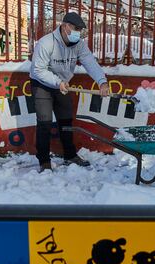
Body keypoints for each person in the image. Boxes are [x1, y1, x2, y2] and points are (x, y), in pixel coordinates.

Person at [30, 12, 109, 171]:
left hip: (63, 85)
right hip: (42, 84)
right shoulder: (46, 43)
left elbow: (90, 62)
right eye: (75, 28)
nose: (78, 32)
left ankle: (70, 155)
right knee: (44, 123)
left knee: (66, 121)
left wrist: (102, 81)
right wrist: (57, 82)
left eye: (80, 29)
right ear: (65, 26)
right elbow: (38, 70)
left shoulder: (79, 44)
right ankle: (44, 161)